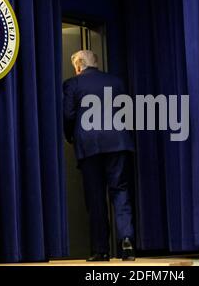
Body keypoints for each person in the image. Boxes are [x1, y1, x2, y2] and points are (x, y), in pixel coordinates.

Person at [63, 50, 136, 261]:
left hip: (90, 146)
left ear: (79, 66)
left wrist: (70, 136)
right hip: (118, 143)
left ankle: (101, 250)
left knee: (95, 198)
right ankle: (127, 241)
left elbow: (68, 115)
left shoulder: (72, 84)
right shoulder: (116, 81)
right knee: (120, 191)